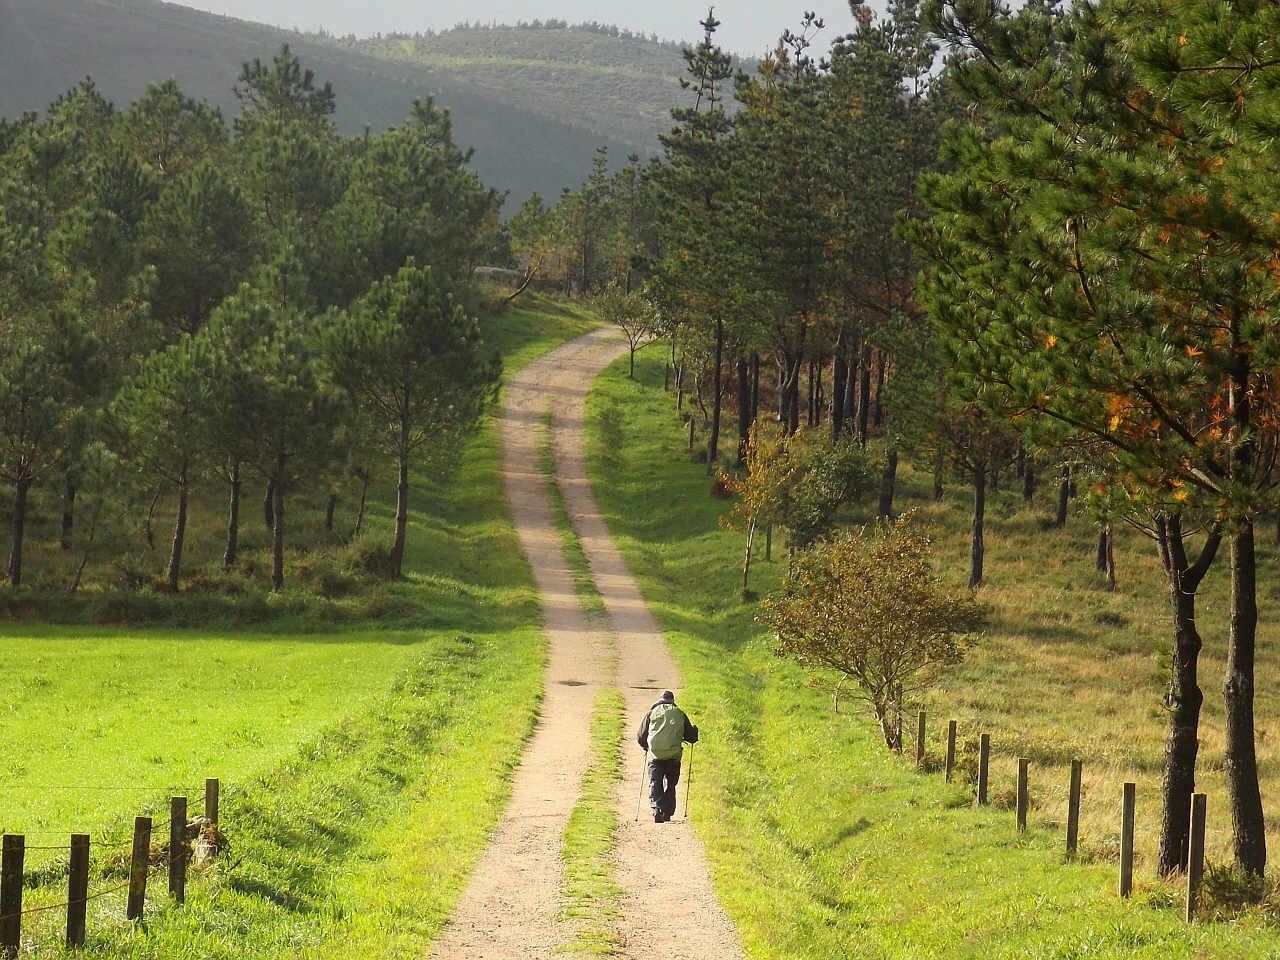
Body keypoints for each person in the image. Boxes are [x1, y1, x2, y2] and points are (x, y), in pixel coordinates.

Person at [636, 690, 698, 823]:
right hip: (673, 755)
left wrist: (646, 747)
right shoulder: (680, 713)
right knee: (671, 784)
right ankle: (667, 813)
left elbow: (641, 736)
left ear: (660, 700)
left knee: (655, 781)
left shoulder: (651, 713)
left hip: (655, 754)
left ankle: (657, 809)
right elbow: (691, 737)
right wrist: (695, 730)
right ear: (672, 700)